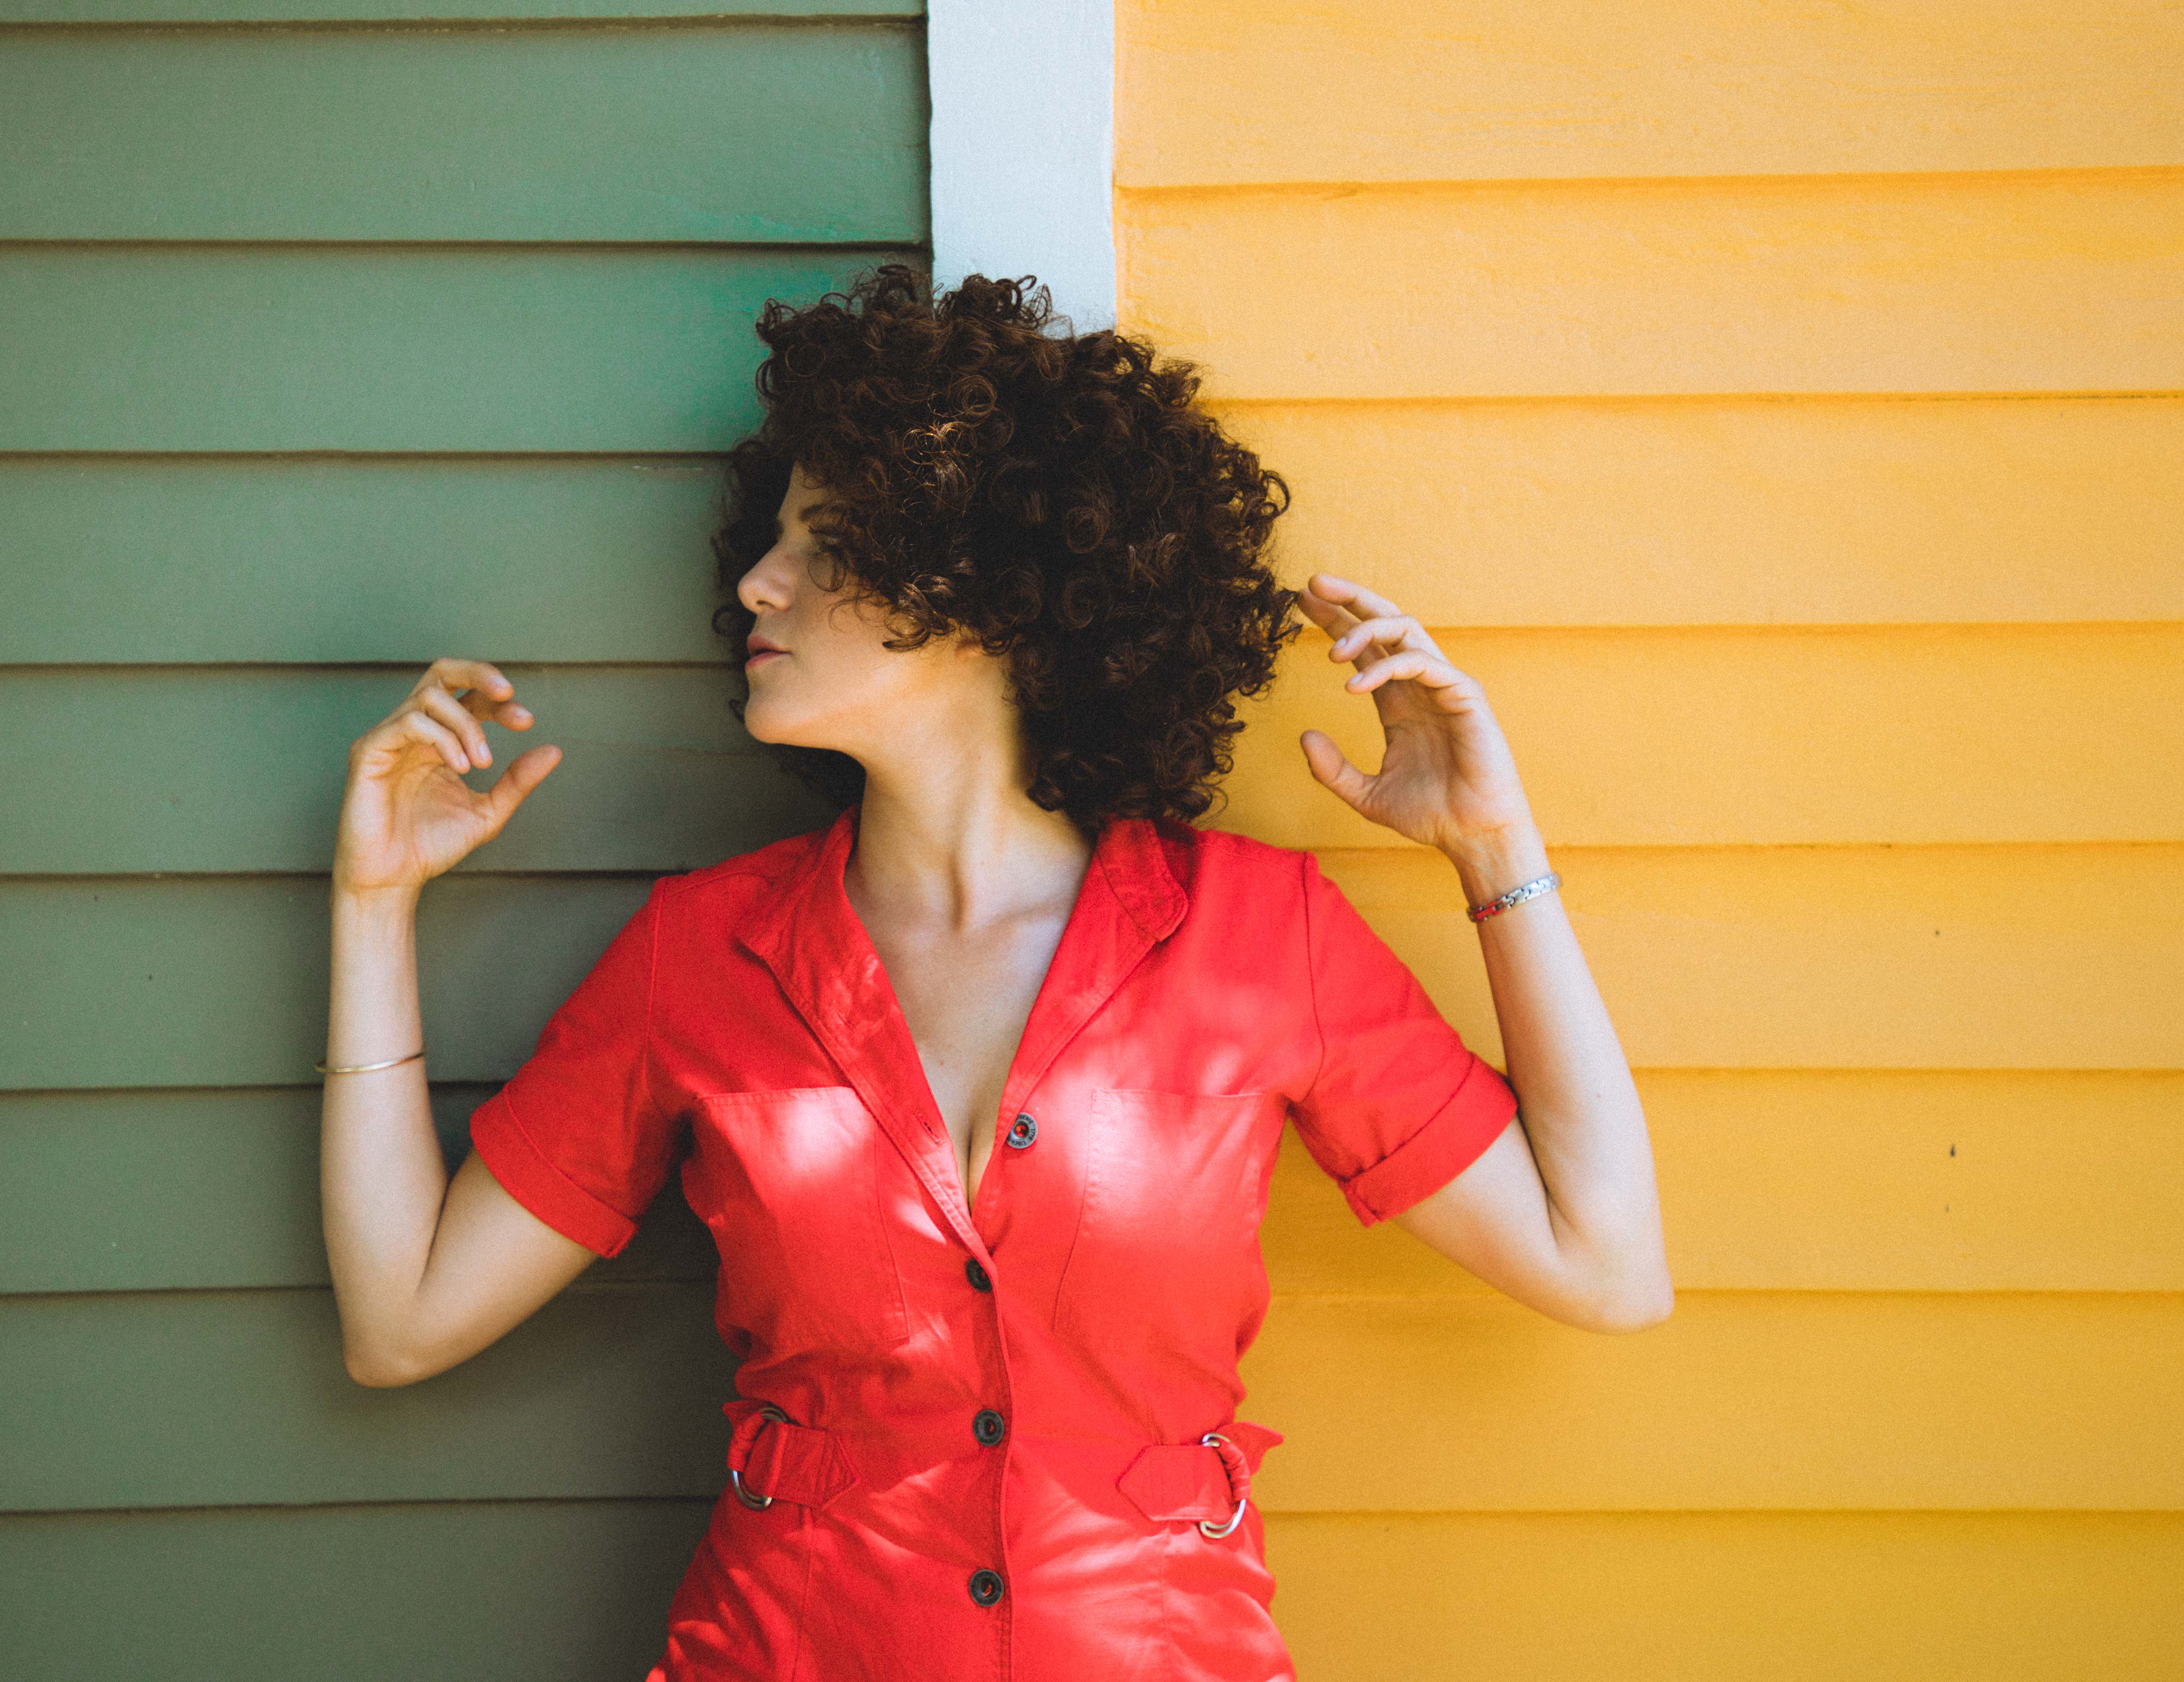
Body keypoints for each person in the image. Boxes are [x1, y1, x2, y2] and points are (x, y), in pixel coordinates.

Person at [319, 266, 1670, 1679]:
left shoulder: (1261, 936)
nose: (756, 583)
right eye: (770, 542)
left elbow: (1607, 1265)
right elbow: (402, 1321)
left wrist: (1491, 849)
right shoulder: (699, 954)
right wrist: (373, 901)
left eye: (824, 544)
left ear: (981, 585)